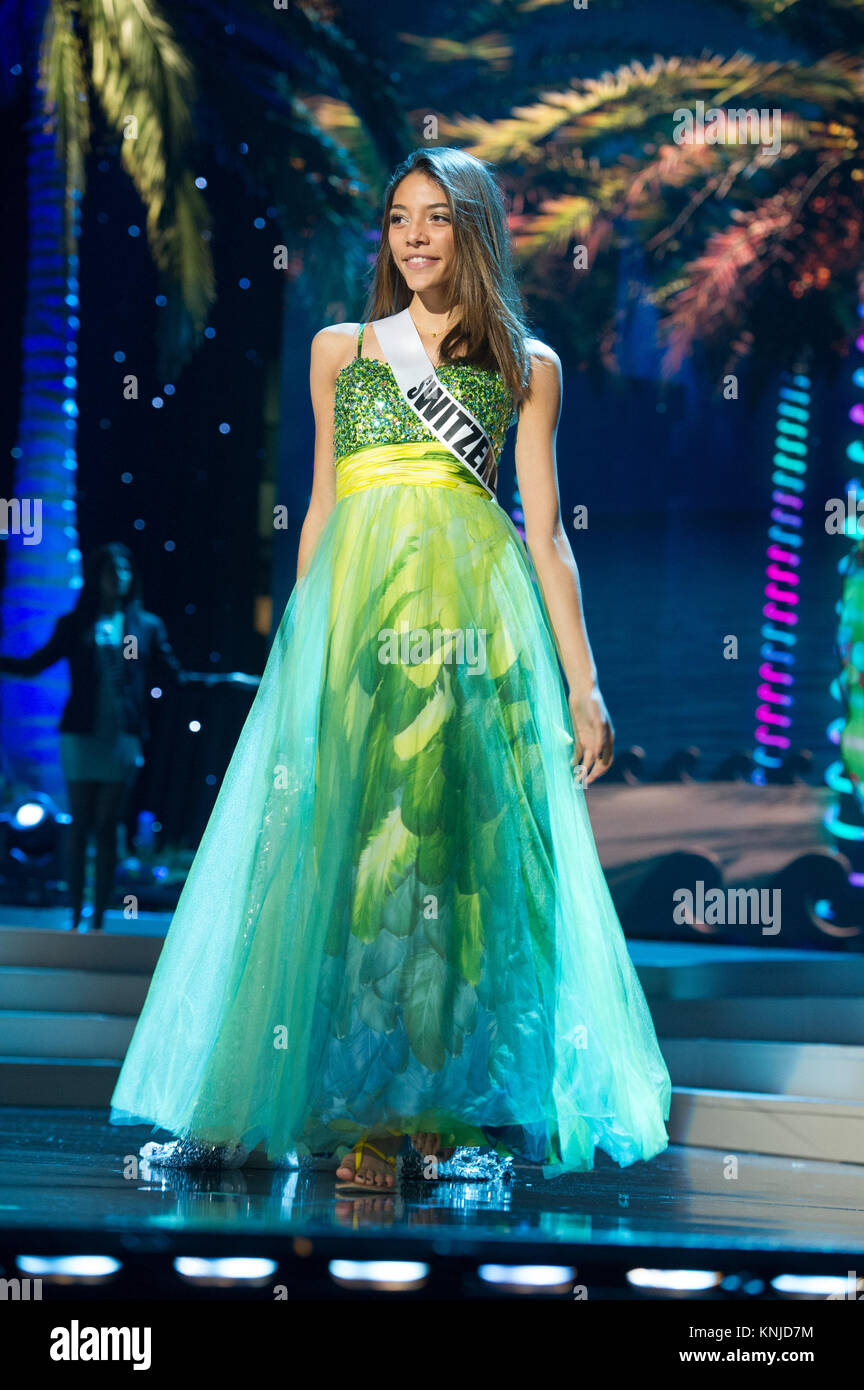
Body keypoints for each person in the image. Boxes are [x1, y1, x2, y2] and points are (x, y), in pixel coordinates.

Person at [110, 147, 671, 1190]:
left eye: (438, 217)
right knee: (328, 849)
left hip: (470, 630)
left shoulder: (525, 366)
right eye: (399, 217)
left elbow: (546, 538)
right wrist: (296, 653)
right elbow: (324, 508)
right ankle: (283, 1100)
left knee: (445, 860)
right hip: (358, 625)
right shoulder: (341, 350)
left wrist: (585, 684)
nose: (414, 235)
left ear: (475, 230)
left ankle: (426, 1105)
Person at [0, 543, 188, 931]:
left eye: (124, 569)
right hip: (81, 735)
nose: (118, 576)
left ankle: (99, 915)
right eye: (110, 569)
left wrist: (228, 684)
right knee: (80, 822)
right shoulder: (76, 623)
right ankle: (74, 913)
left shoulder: (145, 626)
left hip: (121, 737)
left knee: (106, 826)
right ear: (96, 575)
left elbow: (172, 675)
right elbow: (35, 663)